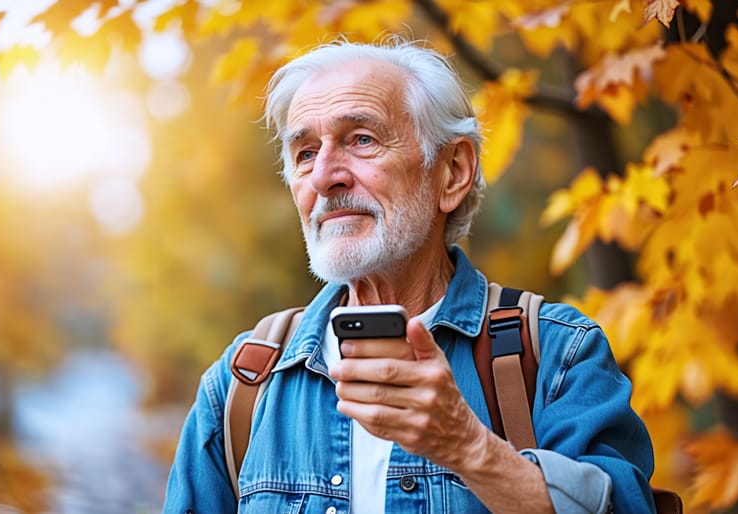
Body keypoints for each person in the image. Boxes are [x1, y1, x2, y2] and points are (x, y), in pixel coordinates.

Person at [163, 38, 655, 514]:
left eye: (361, 139)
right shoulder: (242, 385)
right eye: (306, 153)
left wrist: (468, 446)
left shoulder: (557, 357)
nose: (324, 177)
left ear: (453, 172)